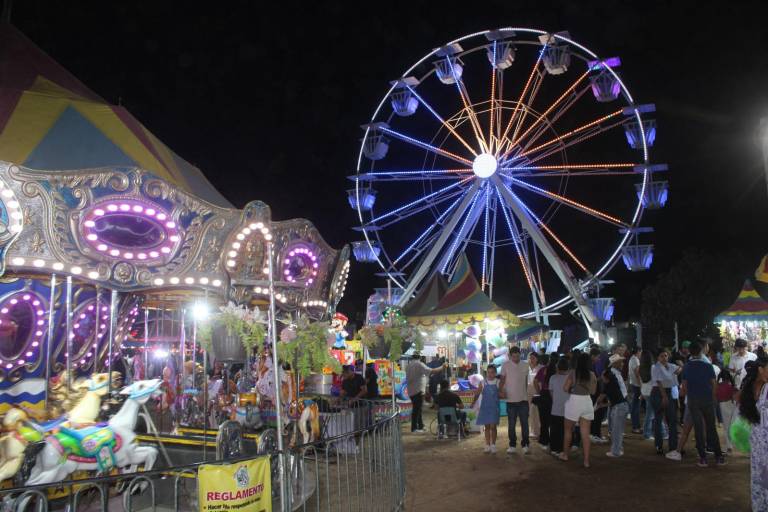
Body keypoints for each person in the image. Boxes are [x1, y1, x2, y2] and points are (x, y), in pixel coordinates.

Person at [680, 341, 725, 466]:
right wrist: (713, 398)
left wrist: (689, 395)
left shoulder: (687, 366)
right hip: (707, 400)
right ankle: (719, 457)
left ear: (690, 352)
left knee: (699, 430)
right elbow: (714, 383)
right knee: (711, 428)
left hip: (693, 400)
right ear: (701, 351)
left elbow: (684, 386)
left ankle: (703, 458)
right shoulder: (707, 365)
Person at [738, 356, 768, 510]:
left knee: (761, 475)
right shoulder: (753, 387)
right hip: (759, 439)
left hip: (759, 438)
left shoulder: (755, 387)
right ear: (761, 370)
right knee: (759, 475)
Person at [560, 352, 597, 468]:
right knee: (585, 434)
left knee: (568, 430)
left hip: (574, 402)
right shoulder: (592, 375)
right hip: (587, 402)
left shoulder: (573, 373)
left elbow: (565, 388)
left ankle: (565, 454)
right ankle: (586, 461)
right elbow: (593, 392)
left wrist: (572, 390)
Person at [651, 348, 682, 459]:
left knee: (672, 420)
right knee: (659, 420)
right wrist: (664, 396)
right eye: (662, 356)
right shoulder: (655, 367)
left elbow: (679, 370)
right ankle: (659, 445)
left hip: (667, 392)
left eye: (666, 355)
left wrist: (681, 366)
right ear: (658, 357)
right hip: (659, 392)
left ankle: (673, 446)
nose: (664, 358)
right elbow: (659, 382)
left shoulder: (670, 365)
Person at [499, 346, 530, 454]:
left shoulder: (525, 365)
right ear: (510, 356)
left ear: (520, 354)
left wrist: (526, 395)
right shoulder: (505, 365)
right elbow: (502, 380)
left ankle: (525, 444)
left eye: (517, 356)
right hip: (510, 401)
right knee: (511, 425)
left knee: (525, 424)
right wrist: (500, 391)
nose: (516, 358)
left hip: (523, 400)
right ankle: (512, 444)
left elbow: (526, 382)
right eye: (514, 356)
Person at [405, 353, 445, 433]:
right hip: (417, 390)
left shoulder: (409, 365)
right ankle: (414, 428)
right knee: (416, 410)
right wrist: (442, 367)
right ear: (419, 357)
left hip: (412, 390)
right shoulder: (419, 364)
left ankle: (420, 426)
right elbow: (432, 371)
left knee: (418, 409)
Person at [599, 354, 629, 457]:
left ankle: (616, 451)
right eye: (620, 361)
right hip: (620, 403)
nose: (622, 363)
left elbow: (607, 391)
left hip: (618, 404)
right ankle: (618, 449)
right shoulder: (613, 374)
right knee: (617, 429)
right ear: (615, 363)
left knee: (616, 430)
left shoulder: (613, 374)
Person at [474, 365, 501, 453]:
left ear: (495, 373)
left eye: (492, 372)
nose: (490, 374)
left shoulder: (498, 382)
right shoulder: (482, 382)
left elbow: (502, 393)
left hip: (494, 408)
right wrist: (473, 402)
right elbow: (477, 393)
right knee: (487, 427)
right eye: (488, 372)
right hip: (485, 407)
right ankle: (487, 445)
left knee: (493, 427)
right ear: (486, 373)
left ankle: (493, 445)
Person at [548, 356, 570, 457]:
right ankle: (562, 449)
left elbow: (551, 392)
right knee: (565, 430)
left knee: (554, 430)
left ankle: (554, 448)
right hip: (568, 409)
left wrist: (555, 400)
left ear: (558, 367)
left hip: (555, 408)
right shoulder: (571, 378)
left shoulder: (553, 378)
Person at [533, 354, 554, 450]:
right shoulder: (555, 370)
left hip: (544, 394)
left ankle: (544, 440)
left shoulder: (542, 370)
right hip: (553, 395)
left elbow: (535, 381)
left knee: (543, 419)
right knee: (553, 419)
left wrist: (538, 391)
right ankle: (553, 441)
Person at [589, 347, 608, 445]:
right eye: (597, 357)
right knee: (597, 414)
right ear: (593, 356)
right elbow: (593, 380)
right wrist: (601, 377)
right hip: (593, 393)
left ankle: (595, 434)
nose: (599, 359)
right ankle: (595, 434)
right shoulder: (590, 366)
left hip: (593, 393)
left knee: (596, 414)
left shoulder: (591, 365)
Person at [716, 368, 738, 452]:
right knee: (731, 425)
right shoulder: (731, 386)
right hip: (732, 405)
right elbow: (735, 395)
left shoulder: (718, 386)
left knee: (726, 426)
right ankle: (730, 443)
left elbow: (717, 397)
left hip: (723, 405)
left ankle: (729, 445)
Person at [639, 349, 658, 440]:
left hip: (645, 391)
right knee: (650, 414)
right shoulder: (653, 367)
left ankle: (648, 431)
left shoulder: (641, 367)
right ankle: (647, 433)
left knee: (649, 413)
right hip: (651, 392)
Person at [527, 352, 542, 439]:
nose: (531, 360)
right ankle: (533, 430)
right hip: (529, 392)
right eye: (530, 358)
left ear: (537, 358)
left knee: (537, 412)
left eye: (533, 358)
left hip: (537, 392)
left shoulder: (540, 368)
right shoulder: (527, 368)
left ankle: (539, 431)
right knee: (531, 412)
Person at [628, 347, 643, 434]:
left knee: (635, 406)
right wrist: (641, 386)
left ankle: (636, 426)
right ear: (638, 351)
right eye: (640, 352)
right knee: (636, 406)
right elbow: (637, 373)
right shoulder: (635, 360)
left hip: (634, 384)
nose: (641, 354)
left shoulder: (632, 359)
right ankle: (635, 426)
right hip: (637, 385)